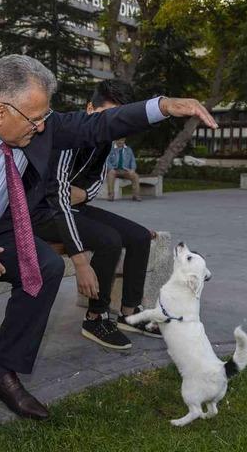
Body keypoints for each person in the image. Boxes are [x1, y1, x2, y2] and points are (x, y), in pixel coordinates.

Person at [0, 54, 217, 451]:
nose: (42, 128)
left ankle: (0, 371)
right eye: (35, 119)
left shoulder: (33, 122)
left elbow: (97, 125)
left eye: (45, 118)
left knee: (46, 267)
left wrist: (163, 107)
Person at [35, 79, 161, 351]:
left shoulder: (105, 139)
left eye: (121, 118)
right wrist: (80, 262)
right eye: (111, 116)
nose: (115, 124)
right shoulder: (67, 134)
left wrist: (80, 193)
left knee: (139, 236)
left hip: (71, 205)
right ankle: (96, 317)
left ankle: (130, 312)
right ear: (90, 108)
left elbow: (95, 183)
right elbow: (57, 199)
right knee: (108, 239)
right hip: (43, 213)